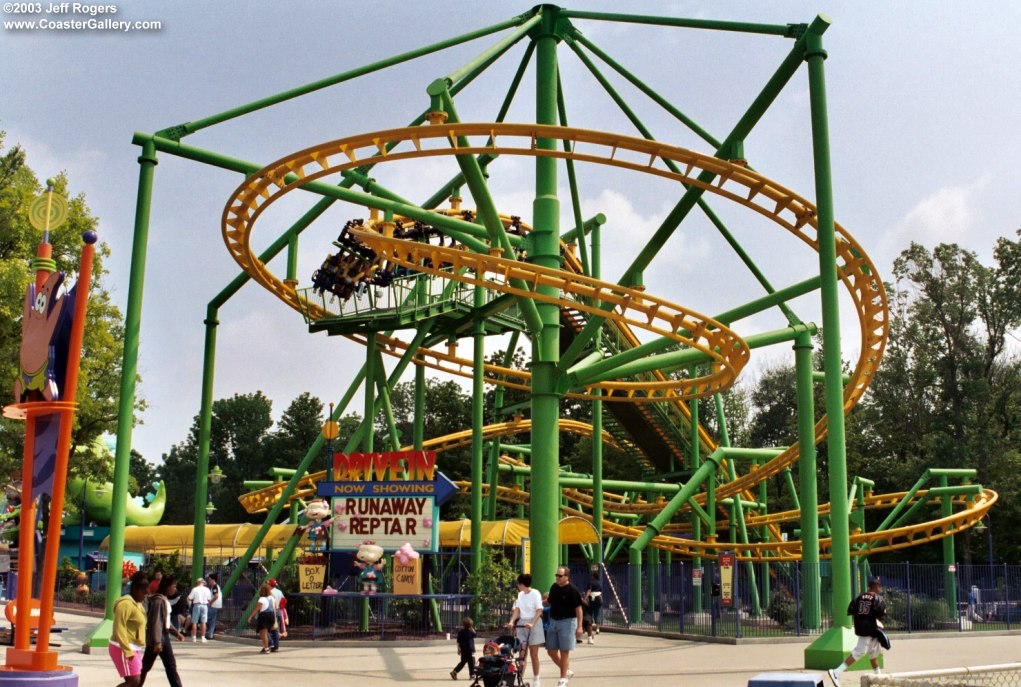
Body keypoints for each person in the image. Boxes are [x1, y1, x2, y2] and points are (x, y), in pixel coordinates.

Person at [828, 577, 888, 686]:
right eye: (879, 586)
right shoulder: (877, 598)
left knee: (873, 654)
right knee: (859, 652)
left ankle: (879, 678)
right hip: (869, 629)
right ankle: (836, 672)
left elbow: (851, 610)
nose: (880, 588)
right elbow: (881, 613)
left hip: (864, 628)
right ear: (875, 587)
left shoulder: (859, 597)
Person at [140, 575, 185, 687]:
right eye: (174, 586)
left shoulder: (162, 600)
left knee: (146, 666)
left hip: (159, 637)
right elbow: (157, 622)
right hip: (160, 638)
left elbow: (165, 621)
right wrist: (157, 642)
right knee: (170, 666)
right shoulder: (159, 601)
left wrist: (176, 633)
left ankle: (136, 684)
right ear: (167, 587)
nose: (175, 589)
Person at [546, 566, 584, 687]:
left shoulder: (573, 590)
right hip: (553, 621)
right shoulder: (554, 587)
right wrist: (535, 604)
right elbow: (549, 601)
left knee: (564, 651)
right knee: (551, 651)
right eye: (556, 575)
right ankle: (566, 670)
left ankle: (562, 679)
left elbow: (578, 608)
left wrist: (579, 627)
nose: (557, 577)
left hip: (567, 622)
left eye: (560, 576)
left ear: (567, 577)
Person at [110, 571, 148, 687]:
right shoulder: (125, 605)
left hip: (134, 647)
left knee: (136, 682)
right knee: (133, 682)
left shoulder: (138, 604)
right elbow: (119, 628)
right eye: (143, 593)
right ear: (136, 590)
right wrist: (127, 650)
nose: (145, 596)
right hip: (122, 647)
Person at [506, 573, 544, 687]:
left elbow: (539, 610)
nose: (518, 586)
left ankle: (536, 679)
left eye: (519, 584)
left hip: (534, 623)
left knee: (533, 654)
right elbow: (517, 609)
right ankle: (519, 678)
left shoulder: (535, 593)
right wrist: (512, 621)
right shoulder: (520, 595)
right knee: (522, 653)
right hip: (522, 624)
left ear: (522, 584)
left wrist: (532, 623)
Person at [247, 583, 276, 654]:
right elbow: (274, 608)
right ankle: (267, 646)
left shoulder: (262, 599)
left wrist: (250, 617)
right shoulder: (272, 598)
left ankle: (266, 648)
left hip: (264, 616)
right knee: (266, 633)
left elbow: (256, 609)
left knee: (263, 634)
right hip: (271, 615)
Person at [186, 577, 211, 643]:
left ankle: (194, 637)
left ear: (197, 582)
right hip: (204, 605)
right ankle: (203, 637)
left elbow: (189, 598)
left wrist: (189, 605)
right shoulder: (207, 589)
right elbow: (209, 599)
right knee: (203, 622)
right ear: (203, 582)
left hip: (196, 605)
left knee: (194, 622)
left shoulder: (195, 589)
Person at [582, 571, 603, 644]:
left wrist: (585, 598)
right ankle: (597, 628)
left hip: (592, 600)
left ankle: (588, 628)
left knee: (589, 614)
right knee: (597, 613)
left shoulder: (591, 582)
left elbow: (589, 591)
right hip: (599, 599)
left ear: (593, 576)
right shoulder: (600, 583)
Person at [267, 578, 285, 651]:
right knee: (276, 629)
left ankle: (270, 643)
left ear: (269, 584)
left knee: (266, 628)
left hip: (270, 610)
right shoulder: (279, 592)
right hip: (277, 610)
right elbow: (283, 600)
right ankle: (276, 646)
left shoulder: (269, 592)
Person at [205, 573, 222, 639]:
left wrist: (210, 603)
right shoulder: (215, 587)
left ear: (213, 580)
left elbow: (216, 596)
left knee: (210, 619)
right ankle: (211, 631)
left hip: (213, 605)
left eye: (209, 579)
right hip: (214, 605)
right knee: (211, 619)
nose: (208, 581)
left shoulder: (215, 586)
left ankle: (210, 633)